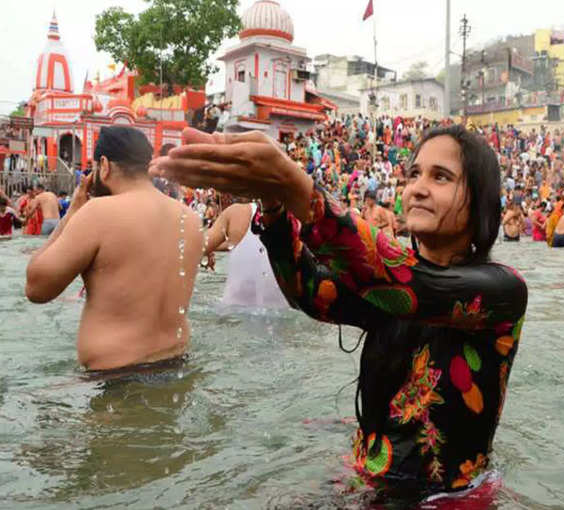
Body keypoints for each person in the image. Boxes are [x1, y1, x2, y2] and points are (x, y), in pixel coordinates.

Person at [152, 125, 527, 504]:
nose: (418, 187)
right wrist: (273, 204)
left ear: (480, 201)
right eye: (414, 174)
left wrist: (292, 182)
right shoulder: (385, 289)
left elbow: (408, 283)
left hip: (450, 499)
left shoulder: (502, 291)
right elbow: (310, 292)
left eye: (441, 177)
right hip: (368, 481)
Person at [25, 126, 205, 372]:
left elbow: (36, 288)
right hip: (177, 367)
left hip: (115, 381)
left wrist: (72, 214)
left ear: (105, 165)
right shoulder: (191, 218)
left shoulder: (99, 212)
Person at [204, 201, 288, 311]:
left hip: (234, 315)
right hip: (285, 314)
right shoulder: (298, 212)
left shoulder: (237, 212)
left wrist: (210, 248)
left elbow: (194, 246)